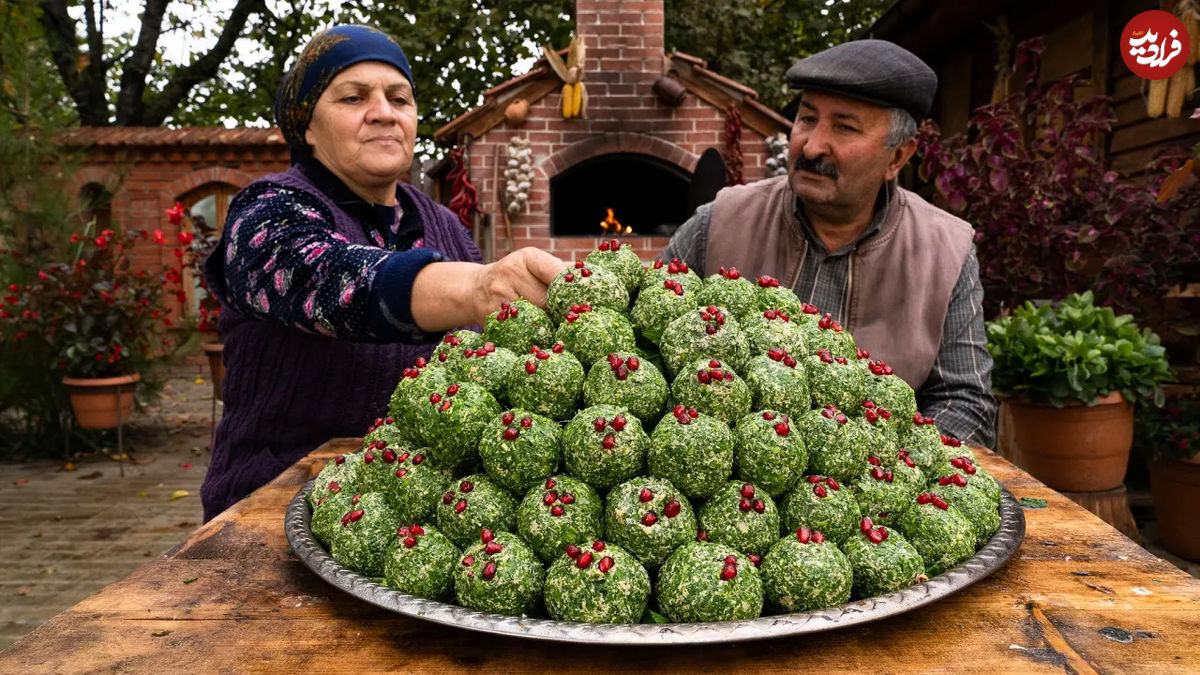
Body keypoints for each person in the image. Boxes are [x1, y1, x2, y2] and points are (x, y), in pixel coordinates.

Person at [202, 25, 562, 520]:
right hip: (271, 505)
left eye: (400, 98)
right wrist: (480, 286)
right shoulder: (267, 212)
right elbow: (328, 278)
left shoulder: (446, 227)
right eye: (353, 98)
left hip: (416, 518)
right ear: (307, 127)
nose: (384, 112)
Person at [662, 39, 996, 447]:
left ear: (897, 158)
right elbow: (644, 327)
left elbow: (964, 402)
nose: (812, 145)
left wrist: (883, 473)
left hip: (880, 498)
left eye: (844, 127)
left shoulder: (946, 250)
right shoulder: (720, 221)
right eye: (806, 119)